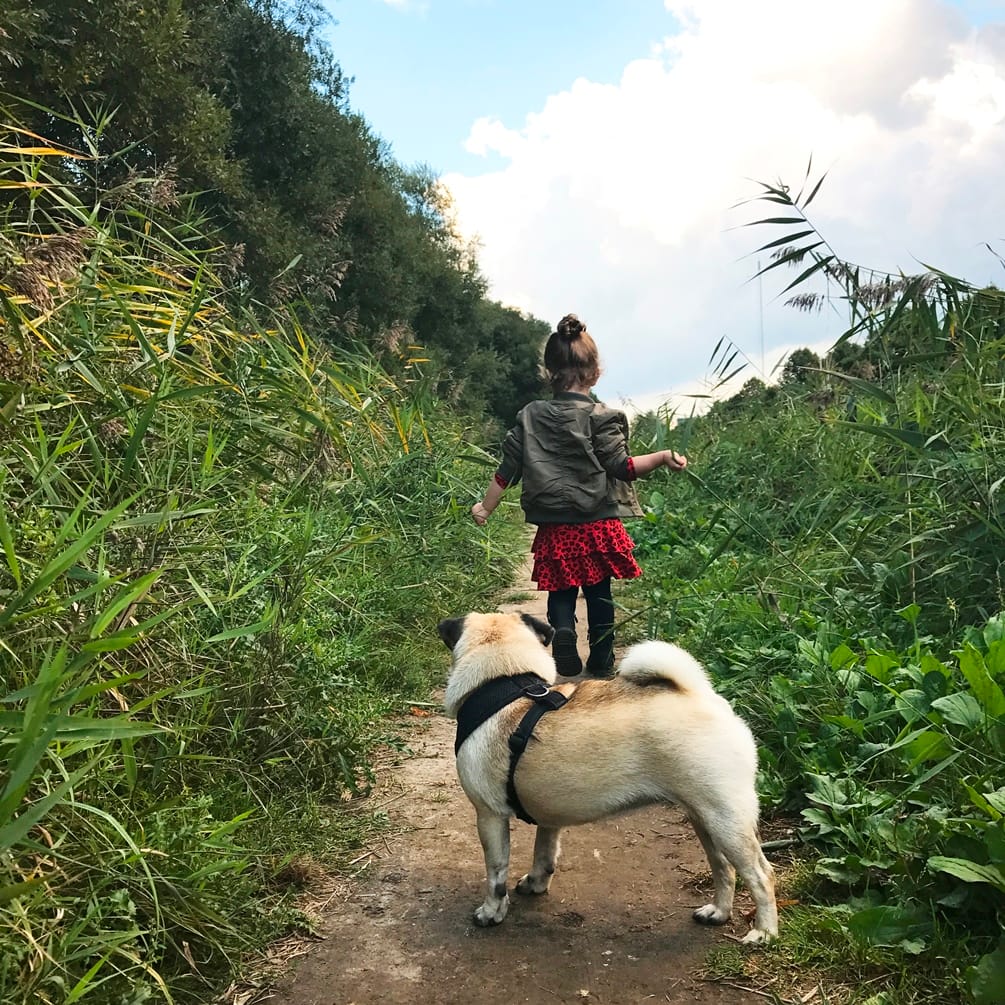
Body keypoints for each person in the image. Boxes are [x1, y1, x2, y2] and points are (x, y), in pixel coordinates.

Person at [471, 313, 688, 678]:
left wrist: (484, 508)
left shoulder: (530, 417)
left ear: (548, 371)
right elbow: (624, 466)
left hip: (556, 527)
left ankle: (564, 634)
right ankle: (602, 657)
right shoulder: (602, 417)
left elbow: (506, 471)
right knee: (599, 594)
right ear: (595, 372)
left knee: (561, 591)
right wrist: (664, 457)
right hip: (597, 524)